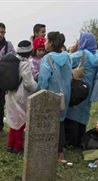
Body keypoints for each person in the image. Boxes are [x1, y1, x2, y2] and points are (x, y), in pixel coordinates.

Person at [38, 31, 72, 162]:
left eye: (46, 40)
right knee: (61, 121)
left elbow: (43, 79)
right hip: (65, 94)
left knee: (48, 121)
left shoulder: (47, 58)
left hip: (51, 94)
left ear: (51, 43)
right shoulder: (67, 56)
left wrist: (41, 92)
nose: (44, 43)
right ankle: (60, 152)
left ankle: (48, 150)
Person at [65, 32, 98, 148]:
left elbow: (65, 61)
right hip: (88, 90)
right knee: (83, 115)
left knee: (73, 113)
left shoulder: (81, 55)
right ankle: (80, 140)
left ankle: (70, 142)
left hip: (78, 88)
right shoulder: (97, 56)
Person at [5, 40, 37, 155]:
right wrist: (37, 87)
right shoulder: (25, 63)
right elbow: (28, 83)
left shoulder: (13, 60)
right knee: (21, 122)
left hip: (10, 94)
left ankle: (10, 145)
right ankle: (17, 147)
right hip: (21, 95)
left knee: (13, 122)